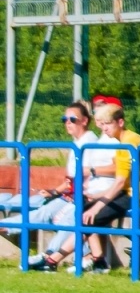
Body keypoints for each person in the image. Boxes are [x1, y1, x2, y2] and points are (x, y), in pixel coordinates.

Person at [22, 102, 104, 270]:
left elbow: (86, 177)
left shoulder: (89, 143)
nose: (67, 122)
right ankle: (50, 256)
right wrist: (54, 191)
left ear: (84, 121)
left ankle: (50, 257)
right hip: (75, 195)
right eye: (64, 119)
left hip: (86, 195)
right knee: (42, 211)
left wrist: (70, 194)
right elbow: (71, 180)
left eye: (72, 119)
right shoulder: (77, 143)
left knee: (70, 218)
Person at [80, 103, 140, 273]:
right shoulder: (125, 140)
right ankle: (98, 260)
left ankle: (53, 258)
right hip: (130, 192)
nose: (104, 128)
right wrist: (97, 197)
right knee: (85, 209)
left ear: (120, 122)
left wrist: (98, 206)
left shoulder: (129, 143)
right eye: (102, 124)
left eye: (108, 124)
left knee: (90, 217)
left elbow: (120, 182)